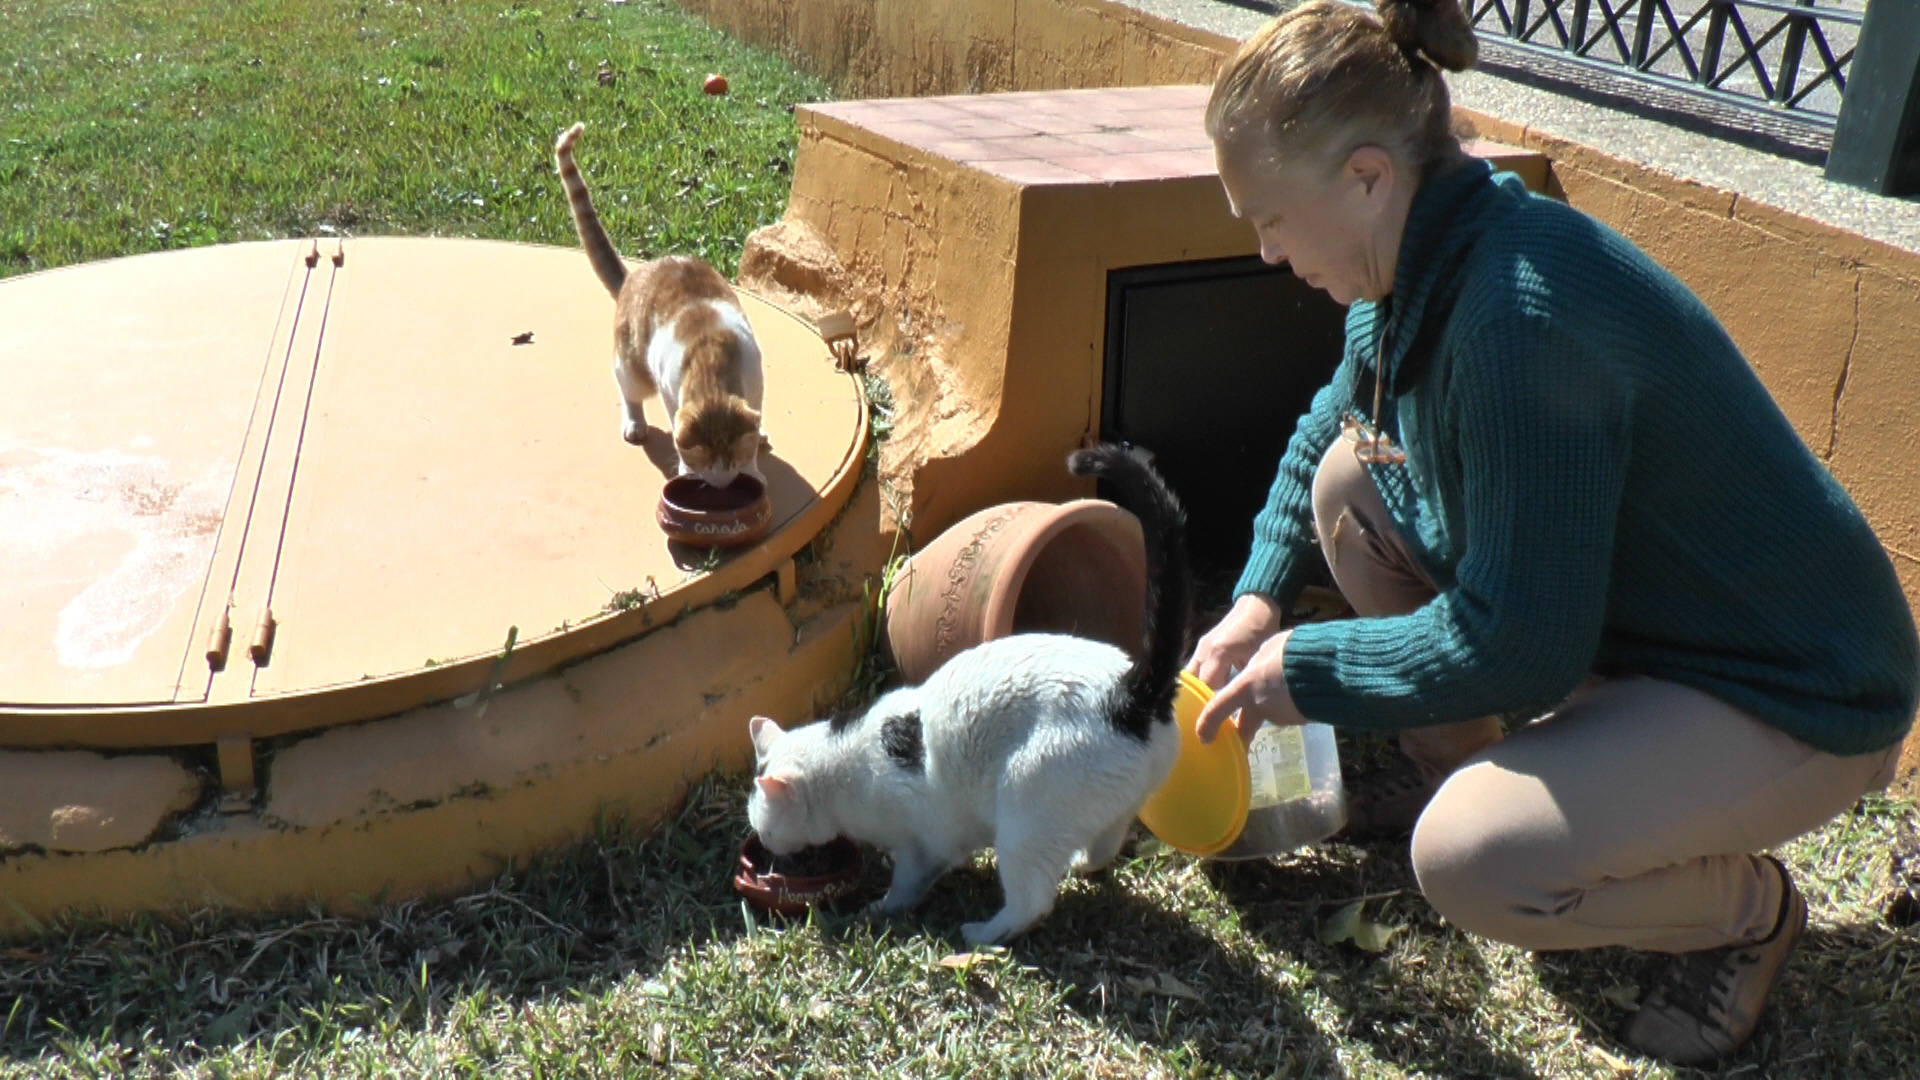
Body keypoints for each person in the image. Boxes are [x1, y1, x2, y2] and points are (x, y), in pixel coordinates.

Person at [1184, 0, 1918, 1066]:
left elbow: (1524, 644)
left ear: (1367, 178)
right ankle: (1459, 769)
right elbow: (1332, 427)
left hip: (1795, 688)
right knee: (1351, 485)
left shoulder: (1517, 323)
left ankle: (1749, 912)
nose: (1263, 250)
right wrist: (1259, 598)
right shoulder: (1419, 257)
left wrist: (1307, 668)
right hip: (1648, 637)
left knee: (1474, 862)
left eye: (1270, 220)